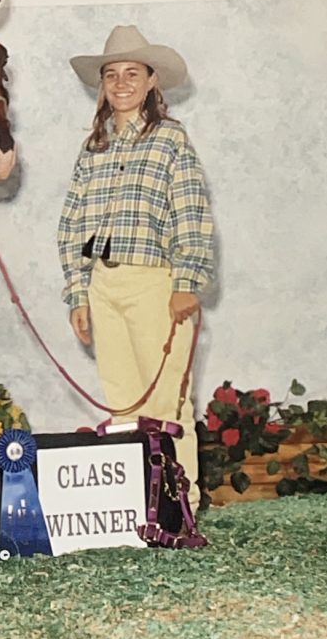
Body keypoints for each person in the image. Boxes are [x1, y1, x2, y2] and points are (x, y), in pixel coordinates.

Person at [57, 25, 214, 510]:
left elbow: (191, 212)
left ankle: (179, 504)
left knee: (166, 400)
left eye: (132, 73)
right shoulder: (94, 148)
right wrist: (78, 292)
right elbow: (72, 222)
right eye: (111, 74)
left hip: (155, 283)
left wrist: (186, 281)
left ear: (151, 82)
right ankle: (134, 502)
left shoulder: (170, 140)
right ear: (102, 85)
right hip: (104, 285)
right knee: (122, 401)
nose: (121, 82)